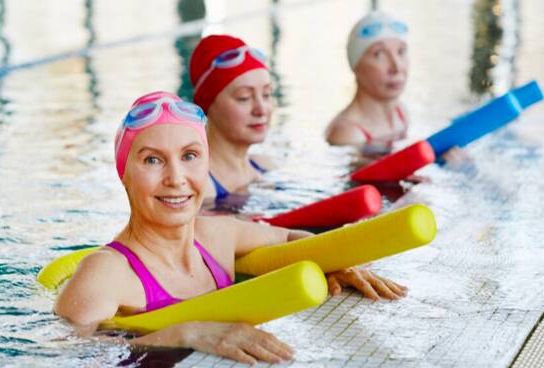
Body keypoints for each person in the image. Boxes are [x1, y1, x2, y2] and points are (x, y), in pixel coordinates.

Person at [55, 91, 408, 364]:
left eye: (190, 156)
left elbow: (288, 237)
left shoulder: (217, 236)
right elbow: (69, 350)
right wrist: (187, 332)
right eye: (152, 160)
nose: (176, 178)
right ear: (124, 174)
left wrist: (335, 263)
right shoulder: (105, 273)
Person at [325, 11, 467, 163]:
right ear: (355, 65)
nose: (396, 66)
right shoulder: (347, 133)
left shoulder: (401, 113)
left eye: (401, 51)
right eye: (379, 54)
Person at [189, 35, 275, 200]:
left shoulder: (264, 166)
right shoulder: (201, 188)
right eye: (244, 98)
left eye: (266, 94)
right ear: (208, 105)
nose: (261, 110)